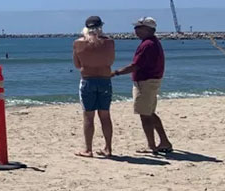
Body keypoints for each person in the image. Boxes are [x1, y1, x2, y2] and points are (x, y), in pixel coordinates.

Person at [112, 17, 172, 154]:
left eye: (139, 28)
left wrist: (115, 73)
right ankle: (164, 141)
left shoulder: (147, 45)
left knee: (145, 115)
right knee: (149, 113)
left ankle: (152, 146)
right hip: (151, 81)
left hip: (145, 82)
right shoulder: (152, 42)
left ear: (148, 29)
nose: (136, 31)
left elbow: (136, 65)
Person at [72, 16, 115, 157]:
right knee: (105, 115)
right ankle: (108, 148)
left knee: (88, 117)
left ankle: (88, 149)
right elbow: (110, 61)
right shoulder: (109, 43)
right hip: (104, 80)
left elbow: (78, 65)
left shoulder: (78, 43)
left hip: (88, 80)